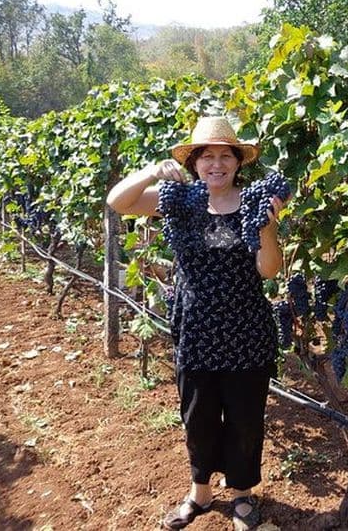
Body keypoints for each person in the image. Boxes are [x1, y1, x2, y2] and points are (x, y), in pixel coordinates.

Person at [106, 116, 288, 530]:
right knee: (198, 415)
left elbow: (269, 271)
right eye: (207, 157)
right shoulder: (179, 200)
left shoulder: (255, 202)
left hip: (246, 330)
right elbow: (119, 201)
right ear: (195, 164)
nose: (217, 164)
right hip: (196, 329)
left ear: (238, 163)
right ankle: (200, 492)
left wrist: (269, 227)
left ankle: (242, 494)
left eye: (226, 156)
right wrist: (152, 171)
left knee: (244, 418)